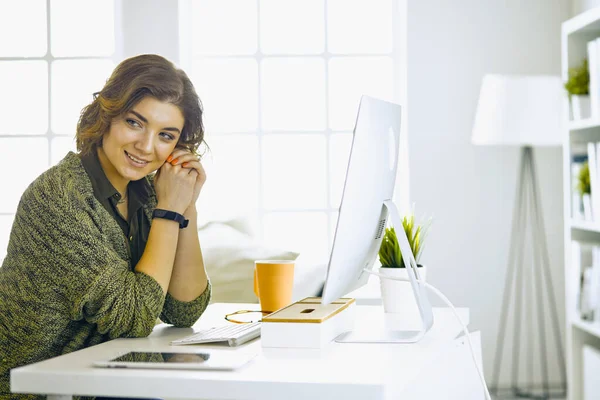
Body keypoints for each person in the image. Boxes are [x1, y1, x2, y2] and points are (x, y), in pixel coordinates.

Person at [0, 54, 211, 399]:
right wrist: (169, 212)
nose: (146, 147)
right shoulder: (60, 197)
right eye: (134, 122)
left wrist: (186, 205)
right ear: (106, 116)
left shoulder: (146, 193)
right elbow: (135, 317)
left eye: (166, 135)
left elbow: (182, 309)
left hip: (105, 379)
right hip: (38, 391)